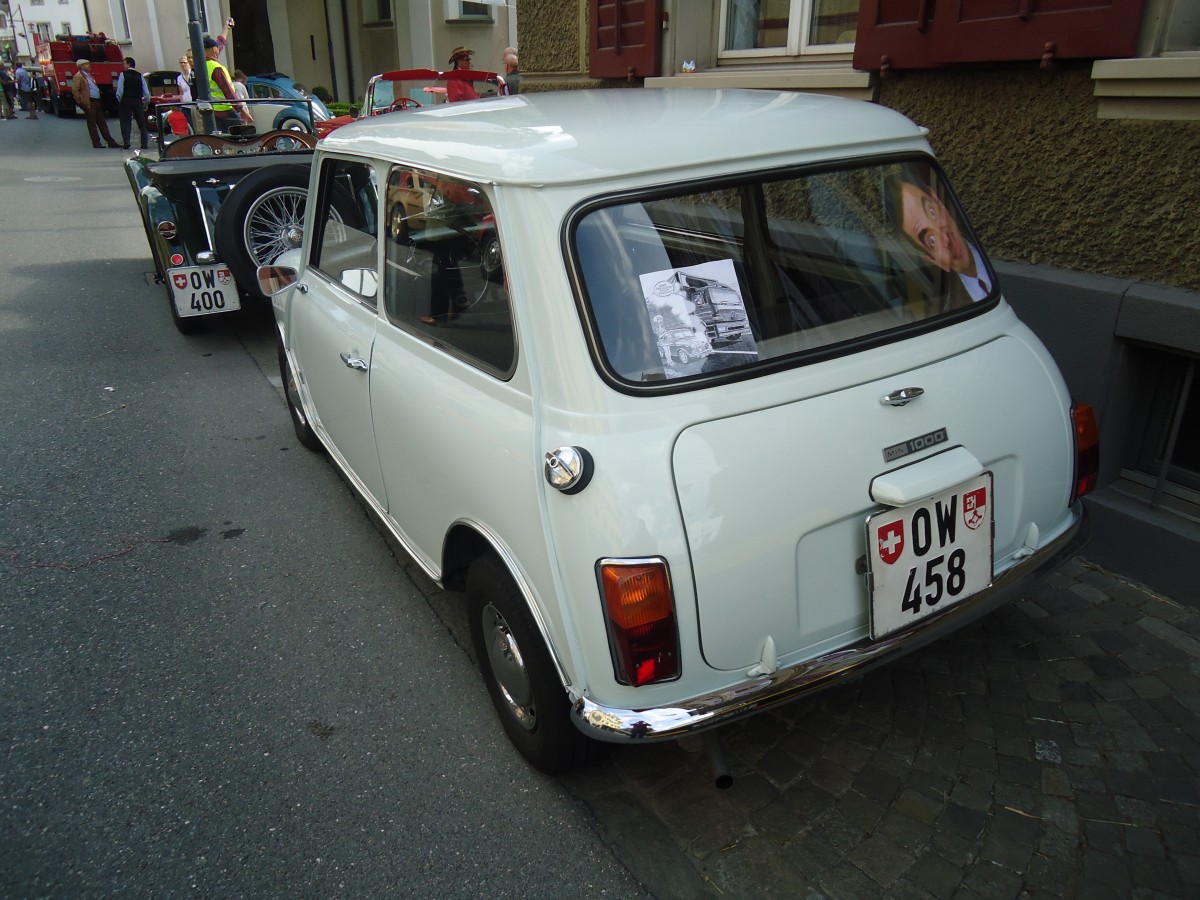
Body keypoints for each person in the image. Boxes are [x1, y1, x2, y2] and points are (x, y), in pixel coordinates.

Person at [885, 170, 992, 302]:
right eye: (932, 240)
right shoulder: (953, 308)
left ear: (939, 202)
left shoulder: (992, 240)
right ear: (932, 259)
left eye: (932, 212)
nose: (945, 238)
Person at [201, 35, 252, 128]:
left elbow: (220, 45)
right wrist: (242, 111)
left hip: (214, 111)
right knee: (240, 138)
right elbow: (227, 90)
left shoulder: (202, 65)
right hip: (228, 111)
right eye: (217, 48)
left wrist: (226, 28)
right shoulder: (216, 68)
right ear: (214, 49)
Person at [71, 59, 121, 148]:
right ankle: (96, 142)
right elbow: (75, 90)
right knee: (92, 123)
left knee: (102, 122)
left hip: (96, 100)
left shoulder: (88, 75)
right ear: (81, 66)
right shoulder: (78, 76)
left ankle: (110, 141)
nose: (89, 66)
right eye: (86, 65)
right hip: (89, 101)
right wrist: (82, 102)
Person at [115, 57, 150, 149]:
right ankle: (144, 143)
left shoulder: (123, 75)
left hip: (126, 100)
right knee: (141, 123)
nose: (123, 65)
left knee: (125, 122)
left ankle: (127, 142)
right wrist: (145, 102)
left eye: (124, 63)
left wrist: (119, 99)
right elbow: (146, 93)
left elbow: (120, 90)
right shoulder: (140, 75)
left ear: (129, 64)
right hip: (137, 100)